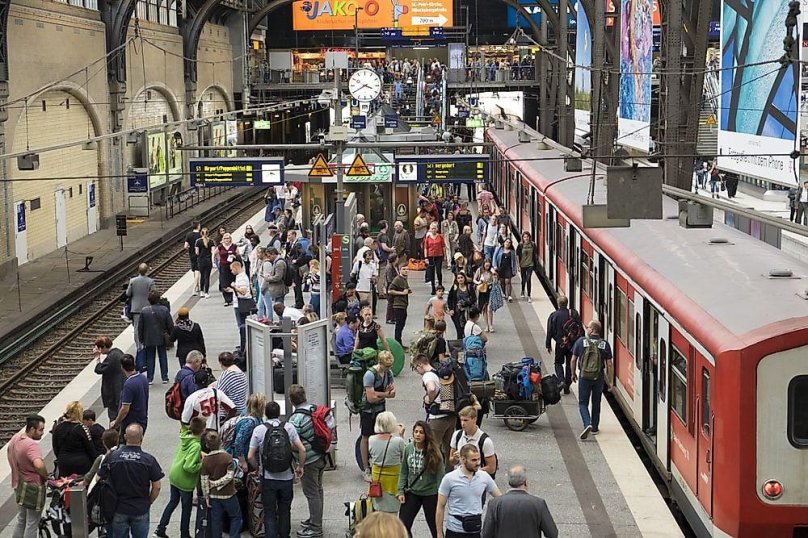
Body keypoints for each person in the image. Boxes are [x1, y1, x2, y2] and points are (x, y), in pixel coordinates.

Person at [248, 400, 306, 538]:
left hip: (267, 478)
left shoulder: (259, 430)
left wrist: (258, 468)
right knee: (285, 510)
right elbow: (302, 449)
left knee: (269, 512)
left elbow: (250, 456)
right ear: (279, 413)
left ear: (265, 414)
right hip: (286, 477)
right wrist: (300, 467)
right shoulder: (289, 427)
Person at [98, 424, 163, 538]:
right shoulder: (149, 460)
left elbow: (99, 477)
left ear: (124, 437)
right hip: (140, 507)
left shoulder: (112, 457)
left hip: (118, 507)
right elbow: (157, 486)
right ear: (142, 438)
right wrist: (149, 501)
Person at [289, 384, 336, 538]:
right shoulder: (316, 409)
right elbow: (331, 426)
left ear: (291, 400)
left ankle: (316, 527)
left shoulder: (295, 419)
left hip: (308, 461)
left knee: (311, 493)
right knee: (318, 490)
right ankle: (315, 519)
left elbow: (294, 444)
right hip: (322, 455)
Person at [154, 416, 206, 538]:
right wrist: (201, 464)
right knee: (186, 509)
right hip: (185, 481)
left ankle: (160, 528)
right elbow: (189, 466)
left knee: (173, 501)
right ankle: (184, 534)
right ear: (203, 430)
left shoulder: (185, 438)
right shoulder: (197, 446)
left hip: (174, 475)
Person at [436, 444, 501, 538]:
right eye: (474, 460)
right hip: (454, 531)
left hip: (475, 530)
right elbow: (440, 506)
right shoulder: (449, 479)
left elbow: (500, 498)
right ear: (463, 459)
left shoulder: (484, 477)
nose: (478, 463)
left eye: (478, 459)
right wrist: (439, 533)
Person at [481, 465, 558, 538]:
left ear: (509, 482)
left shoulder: (494, 504)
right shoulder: (538, 504)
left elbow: (486, 534)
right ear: (525, 482)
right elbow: (552, 533)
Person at [397, 421, 444, 537]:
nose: (418, 435)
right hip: (413, 492)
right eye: (416, 432)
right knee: (402, 525)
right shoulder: (408, 449)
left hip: (430, 493)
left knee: (435, 527)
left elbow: (440, 476)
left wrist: (442, 496)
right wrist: (400, 490)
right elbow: (403, 471)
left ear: (426, 435)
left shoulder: (434, 452)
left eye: (421, 432)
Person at [571, 320, 614, 439]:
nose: (587, 329)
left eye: (588, 327)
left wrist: (573, 373)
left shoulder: (581, 341)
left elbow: (573, 359)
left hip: (584, 376)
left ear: (592, 330)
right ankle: (594, 427)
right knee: (596, 402)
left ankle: (587, 423)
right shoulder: (604, 344)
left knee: (583, 403)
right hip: (598, 377)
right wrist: (610, 382)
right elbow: (609, 364)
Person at [8, 415, 48, 538]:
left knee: (21, 519)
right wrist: (45, 476)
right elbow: (39, 465)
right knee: (32, 523)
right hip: (33, 488)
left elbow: (9, 454)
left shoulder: (16, 438)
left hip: (19, 485)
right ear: (32, 429)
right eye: (40, 430)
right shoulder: (31, 445)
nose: (42, 433)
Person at [361, 351, 397, 480]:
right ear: (380, 362)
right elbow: (370, 398)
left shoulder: (388, 373)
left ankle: (378, 462)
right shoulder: (370, 375)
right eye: (386, 366)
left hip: (381, 408)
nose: (388, 369)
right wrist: (385, 394)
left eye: (390, 366)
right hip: (367, 411)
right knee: (366, 437)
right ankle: (366, 468)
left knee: (381, 434)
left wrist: (380, 394)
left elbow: (393, 392)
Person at [413, 355, 454, 469]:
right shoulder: (438, 373)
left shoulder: (427, 375)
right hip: (450, 413)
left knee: (433, 447)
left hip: (438, 417)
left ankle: (433, 474)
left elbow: (431, 389)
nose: (417, 371)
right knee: (449, 448)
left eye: (416, 368)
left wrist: (429, 399)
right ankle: (449, 475)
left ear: (420, 365)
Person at [200, 431, 243, 538]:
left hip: (214, 495)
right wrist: (217, 483)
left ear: (206, 445)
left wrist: (206, 495)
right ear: (221, 442)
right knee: (236, 516)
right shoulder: (227, 457)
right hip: (229, 493)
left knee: (216, 520)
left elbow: (204, 480)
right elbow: (230, 476)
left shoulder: (206, 461)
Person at [368, 412, 406, 513]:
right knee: (392, 514)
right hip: (393, 482)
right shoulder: (398, 441)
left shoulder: (371, 440)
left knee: (378, 512)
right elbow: (405, 458)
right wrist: (401, 435)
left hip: (377, 481)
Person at [52, 401, 97, 477]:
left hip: (64, 462)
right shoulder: (82, 428)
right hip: (81, 463)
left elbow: (55, 447)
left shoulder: (58, 427)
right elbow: (90, 448)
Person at [137, 290, 173, 384]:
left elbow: (140, 327)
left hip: (148, 337)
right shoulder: (164, 310)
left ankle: (149, 378)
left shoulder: (144, 311)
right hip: (162, 337)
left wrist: (141, 338)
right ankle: (164, 377)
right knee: (163, 356)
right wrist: (171, 337)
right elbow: (170, 325)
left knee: (150, 357)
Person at [448, 407, 496, 477]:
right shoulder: (457, 435)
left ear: (474, 419)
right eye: (461, 420)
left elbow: (491, 468)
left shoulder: (485, 441)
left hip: (477, 479)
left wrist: (472, 472)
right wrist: (455, 458)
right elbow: (451, 461)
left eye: (466, 420)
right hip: (459, 478)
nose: (462, 423)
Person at [110, 354, 149, 433]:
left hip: (131, 423)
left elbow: (125, 409)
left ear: (122, 367)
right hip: (142, 419)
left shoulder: (129, 384)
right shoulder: (143, 378)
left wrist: (116, 422)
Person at [93, 335, 125, 421]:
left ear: (102, 347)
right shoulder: (118, 352)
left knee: (113, 415)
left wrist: (97, 358)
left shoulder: (111, 358)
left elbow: (99, 369)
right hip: (119, 386)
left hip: (114, 392)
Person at [545, 296, 572, 394]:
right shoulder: (573, 314)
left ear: (558, 304)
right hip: (571, 344)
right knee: (569, 364)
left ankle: (561, 380)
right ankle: (567, 386)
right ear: (567, 303)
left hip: (560, 344)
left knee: (558, 363)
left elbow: (550, 330)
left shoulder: (554, 315)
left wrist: (548, 344)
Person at [126, 263, 155, 351]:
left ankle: (139, 346)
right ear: (147, 271)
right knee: (147, 327)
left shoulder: (132, 281)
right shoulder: (151, 281)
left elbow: (128, 293)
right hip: (147, 308)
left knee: (137, 328)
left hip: (136, 308)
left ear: (138, 270)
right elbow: (154, 294)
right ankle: (147, 344)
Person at [227, 259, 252, 353]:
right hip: (239, 303)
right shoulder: (240, 277)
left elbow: (243, 291)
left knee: (241, 325)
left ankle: (244, 345)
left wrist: (234, 286)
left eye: (231, 269)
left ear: (236, 268)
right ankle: (242, 343)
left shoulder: (242, 278)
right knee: (241, 325)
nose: (231, 271)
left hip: (241, 305)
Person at [260, 247, 288, 321]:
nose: (269, 258)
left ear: (273, 254)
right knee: (278, 307)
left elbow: (278, 277)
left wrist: (267, 278)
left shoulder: (279, 263)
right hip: (278, 288)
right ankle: (282, 322)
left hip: (279, 289)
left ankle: (283, 323)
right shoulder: (277, 261)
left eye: (269, 256)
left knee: (279, 308)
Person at [448, 272, 477, 340]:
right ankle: (460, 344)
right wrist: (451, 309)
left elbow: (474, 299)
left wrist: (465, 303)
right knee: (459, 330)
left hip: (468, 312)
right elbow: (450, 298)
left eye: (461, 277)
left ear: (464, 278)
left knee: (468, 329)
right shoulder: (455, 287)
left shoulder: (469, 287)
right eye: (458, 278)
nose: (460, 279)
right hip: (457, 312)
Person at [387, 266, 412, 345]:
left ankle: (399, 342)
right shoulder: (397, 279)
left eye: (407, 269)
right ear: (400, 270)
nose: (405, 271)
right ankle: (398, 343)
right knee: (399, 325)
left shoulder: (404, 279)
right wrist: (402, 293)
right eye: (403, 269)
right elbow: (390, 290)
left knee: (402, 324)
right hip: (398, 305)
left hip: (403, 305)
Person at [216, 233, 239, 305]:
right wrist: (216, 260)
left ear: (230, 239)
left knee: (232, 281)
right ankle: (226, 299)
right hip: (223, 266)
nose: (226, 240)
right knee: (224, 282)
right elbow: (214, 253)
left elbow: (238, 254)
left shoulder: (234, 246)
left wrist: (235, 257)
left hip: (232, 266)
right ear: (223, 239)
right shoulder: (220, 247)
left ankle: (233, 298)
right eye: (225, 238)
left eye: (228, 238)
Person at [473, 261, 495, 332]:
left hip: (490, 291)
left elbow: (496, 280)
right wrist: (478, 282)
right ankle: (486, 325)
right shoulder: (479, 270)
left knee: (489, 309)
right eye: (486, 266)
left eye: (489, 266)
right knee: (484, 309)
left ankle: (491, 325)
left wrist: (494, 273)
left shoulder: (492, 271)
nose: (487, 267)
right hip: (482, 291)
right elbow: (474, 279)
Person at [493, 238, 517, 303]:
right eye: (506, 242)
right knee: (502, 282)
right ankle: (504, 293)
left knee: (508, 281)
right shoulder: (499, 249)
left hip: (508, 268)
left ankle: (509, 295)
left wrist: (514, 270)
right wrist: (495, 266)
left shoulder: (512, 251)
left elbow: (514, 261)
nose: (507, 243)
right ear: (504, 242)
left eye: (509, 243)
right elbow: (494, 257)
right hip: (500, 268)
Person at [424, 222, 445, 294]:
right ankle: (433, 288)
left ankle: (440, 285)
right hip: (430, 256)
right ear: (430, 229)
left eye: (435, 228)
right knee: (431, 272)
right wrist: (426, 257)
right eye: (432, 228)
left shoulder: (440, 236)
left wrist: (444, 255)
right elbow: (426, 248)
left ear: (437, 229)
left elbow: (443, 246)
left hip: (439, 255)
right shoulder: (428, 237)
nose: (433, 230)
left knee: (439, 271)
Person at [195, 228, 214, 298]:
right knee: (207, 277)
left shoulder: (198, 241)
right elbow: (213, 251)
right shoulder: (211, 241)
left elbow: (197, 252)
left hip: (201, 261)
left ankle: (201, 291)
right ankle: (206, 292)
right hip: (208, 261)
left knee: (202, 276)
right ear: (208, 233)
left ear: (201, 234)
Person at [185, 220, 203, 295]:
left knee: (195, 271)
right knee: (198, 271)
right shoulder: (200, 235)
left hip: (191, 254)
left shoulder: (189, 234)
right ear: (198, 226)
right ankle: (194, 288)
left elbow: (185, 246)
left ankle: (198, 286)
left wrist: (190, 248)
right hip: (200, 255)